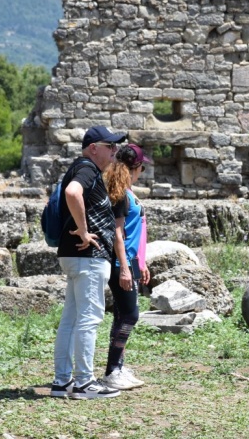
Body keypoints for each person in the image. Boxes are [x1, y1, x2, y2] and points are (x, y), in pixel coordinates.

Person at [50, 125, 126, 399]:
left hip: (73, 256)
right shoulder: (87, 169)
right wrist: (83, 230)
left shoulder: (82, 168)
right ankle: (84, 382)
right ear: (94, 148)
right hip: (88, 257)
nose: (115, 151)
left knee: (71, 318)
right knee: (90, 318)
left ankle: (62, 382)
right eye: (110, 146)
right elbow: (72, 192)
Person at [100, 143, 152, 390]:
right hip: (121, 261)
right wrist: (124, 268)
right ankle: (112, 371)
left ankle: (117, 366)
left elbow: (136, 231)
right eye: (142, 167)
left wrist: (141, 263)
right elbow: (118, 233)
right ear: (137, 167)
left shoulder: (128, 192)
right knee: (130, 315)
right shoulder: (120, 193)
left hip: (130, 260)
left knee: (122, 314)